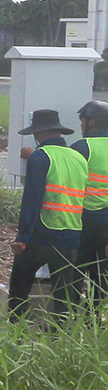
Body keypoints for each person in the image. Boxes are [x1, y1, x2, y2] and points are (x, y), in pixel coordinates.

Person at [10, 108, 87, 324]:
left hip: (43, 233)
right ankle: (60, 337)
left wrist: (22, 237)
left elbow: (32, 200)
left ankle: (16, 330)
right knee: (63, 293)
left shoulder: (40, 157)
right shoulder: (78, 157)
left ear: (38, 134)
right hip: (71, 234)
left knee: (20, 284)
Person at [73, 100, 108, 296]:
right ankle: (92, 322)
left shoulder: (83, 147)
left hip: (82, 222)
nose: (81, 127)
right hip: (106, 227)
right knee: (101, 279)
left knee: (74, 275)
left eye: (83, 122)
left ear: (92, 122)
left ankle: (68, 319)